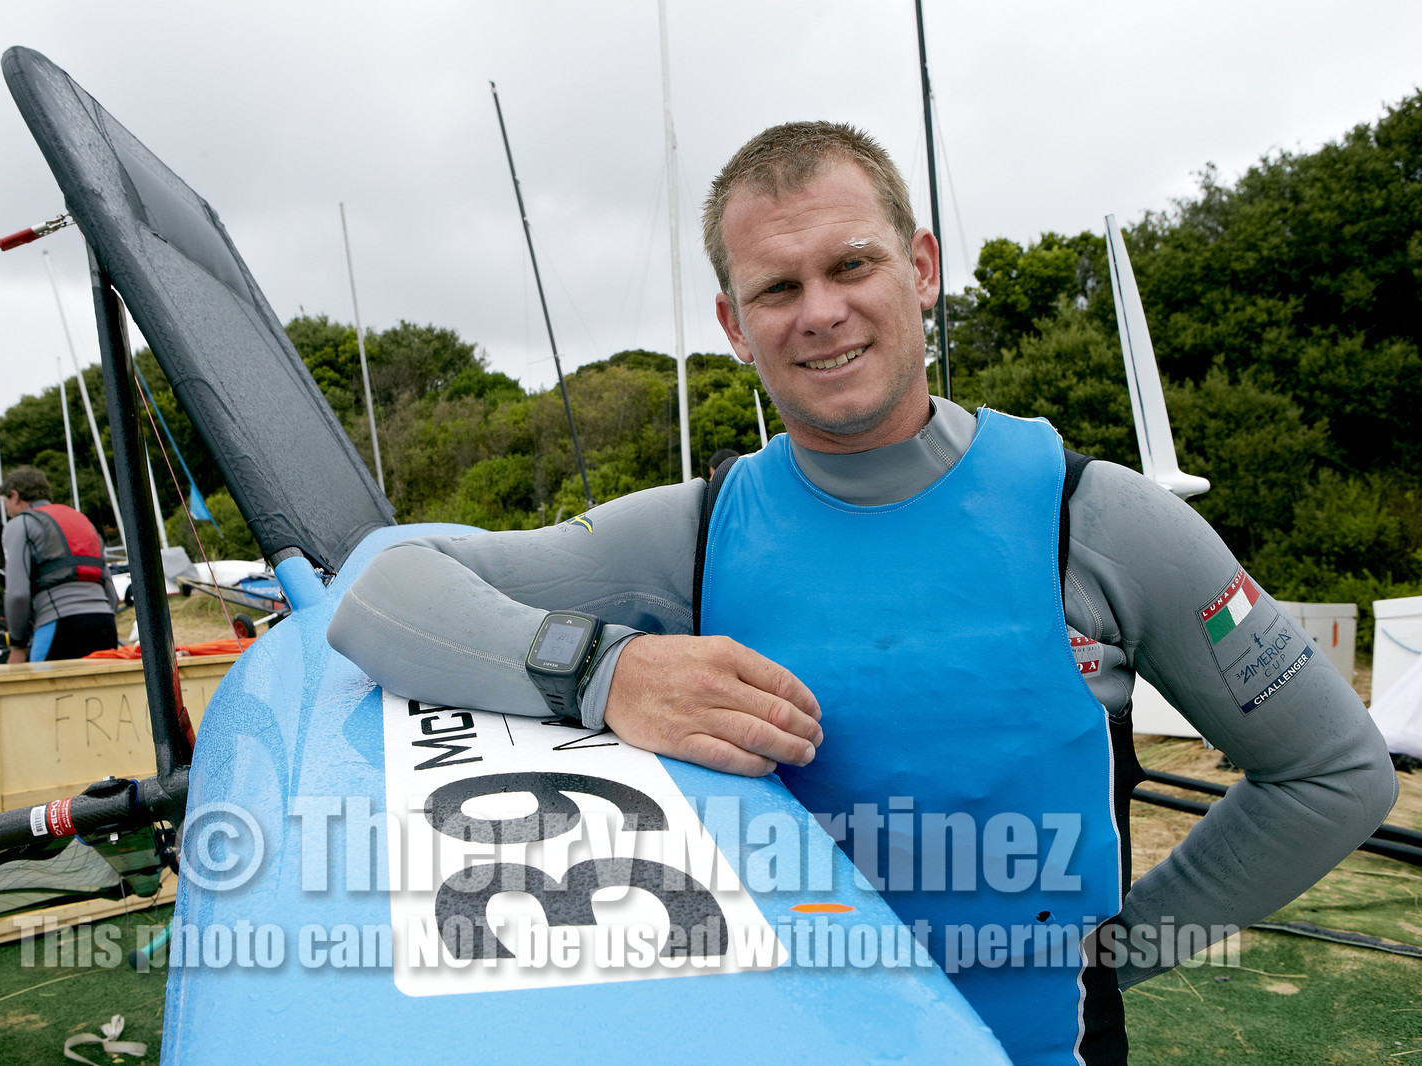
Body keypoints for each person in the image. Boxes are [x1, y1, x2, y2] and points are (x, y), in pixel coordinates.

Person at [327, 122, 1395, 1064]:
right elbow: (383, 588)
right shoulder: (689, 535)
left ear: (920, 268)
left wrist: (1117, 956)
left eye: (851, 265)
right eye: (777, 289)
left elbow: (1334, 773)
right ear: (734, 324)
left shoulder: (1098, 519)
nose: (822, 312)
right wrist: (608, 673)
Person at [0, 466, 119, 663]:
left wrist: (18, 645)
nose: (8, 511)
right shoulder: (83, 521)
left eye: (6, 503)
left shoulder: (21, 524)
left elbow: (17, 594)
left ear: (15, 496)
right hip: (104, 623)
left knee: (41, 684)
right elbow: (110, 592)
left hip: (58, 625)